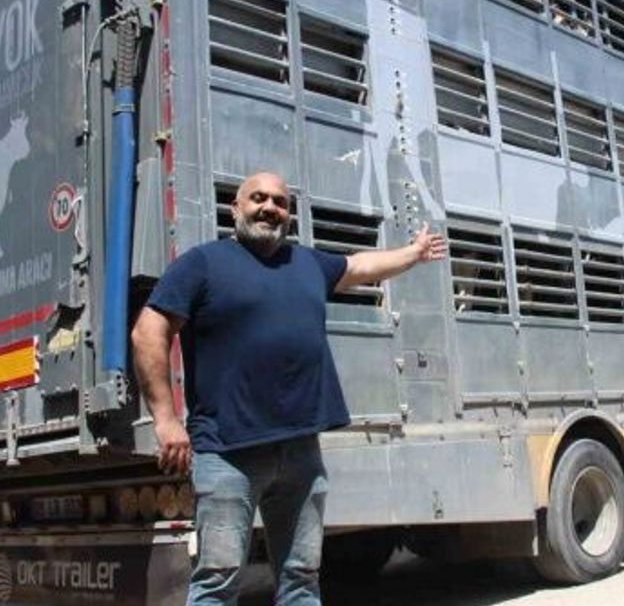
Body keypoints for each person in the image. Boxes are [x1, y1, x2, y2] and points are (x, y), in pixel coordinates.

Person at [131, 171, 447, 606]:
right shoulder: (203, 263)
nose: (269, 207)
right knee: (217, 583)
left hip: (301, 451)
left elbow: (359, 266)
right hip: (227, 454)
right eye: (258, 198)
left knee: (301, 579)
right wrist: (166, 420)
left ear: (289, 215)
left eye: (280, 202)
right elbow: (149, 332)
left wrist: (413, 253)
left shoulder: (306, 264)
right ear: (235, 209)